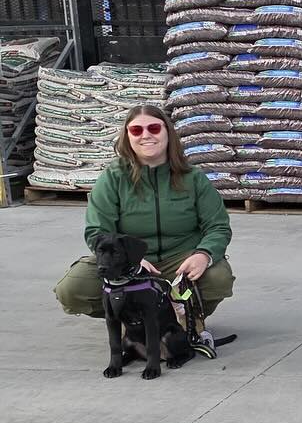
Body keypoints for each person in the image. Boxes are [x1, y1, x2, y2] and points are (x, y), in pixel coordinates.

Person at [54, 103, 235, 350]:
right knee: (72, 288)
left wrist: (204, 254)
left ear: (167, 133)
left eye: (153, 128)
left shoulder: (192, 177)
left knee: (218, 277)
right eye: (136, 130)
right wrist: (131, 260)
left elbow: (218, 226)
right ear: (127, 137)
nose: (146, 135)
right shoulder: (114, 177)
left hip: (178, 261)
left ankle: (186, 318)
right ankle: (131, 317)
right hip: (128, 263)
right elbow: (97, 231)